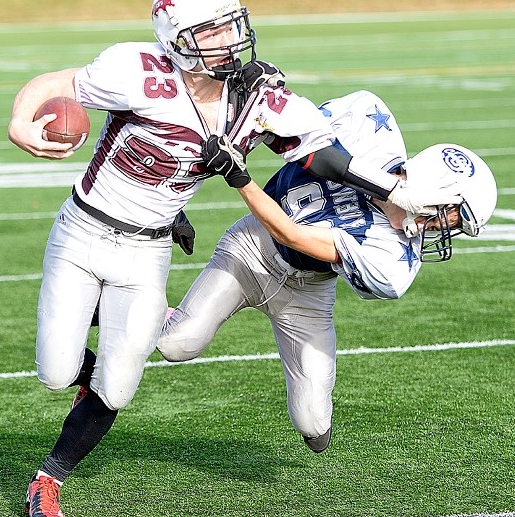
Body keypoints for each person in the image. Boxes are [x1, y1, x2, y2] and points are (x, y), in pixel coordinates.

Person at [8, 0, 463, 517]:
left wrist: (394, 191)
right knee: (56, 371)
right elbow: (54, 82)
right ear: (176, 37)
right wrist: (18, 124)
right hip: (83, 230)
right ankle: (104, 351)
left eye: (231, 25)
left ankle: (48, 478)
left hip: (146, 251)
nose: (229, 40)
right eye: (212, 31)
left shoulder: (256, 96)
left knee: (120, 383)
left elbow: (322, 150)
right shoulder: (135, 69)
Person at [156, 92, 497, 455]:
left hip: (305, 294)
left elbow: (293, 234)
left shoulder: (394, 261)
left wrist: (240, 178)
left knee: (313, 423)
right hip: (253, 249)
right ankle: (132, 304)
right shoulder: (368, 123)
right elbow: (269, 127)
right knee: (177, 344)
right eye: (453, 215)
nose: (445, 228)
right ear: (432, 189)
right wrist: (176, 196)